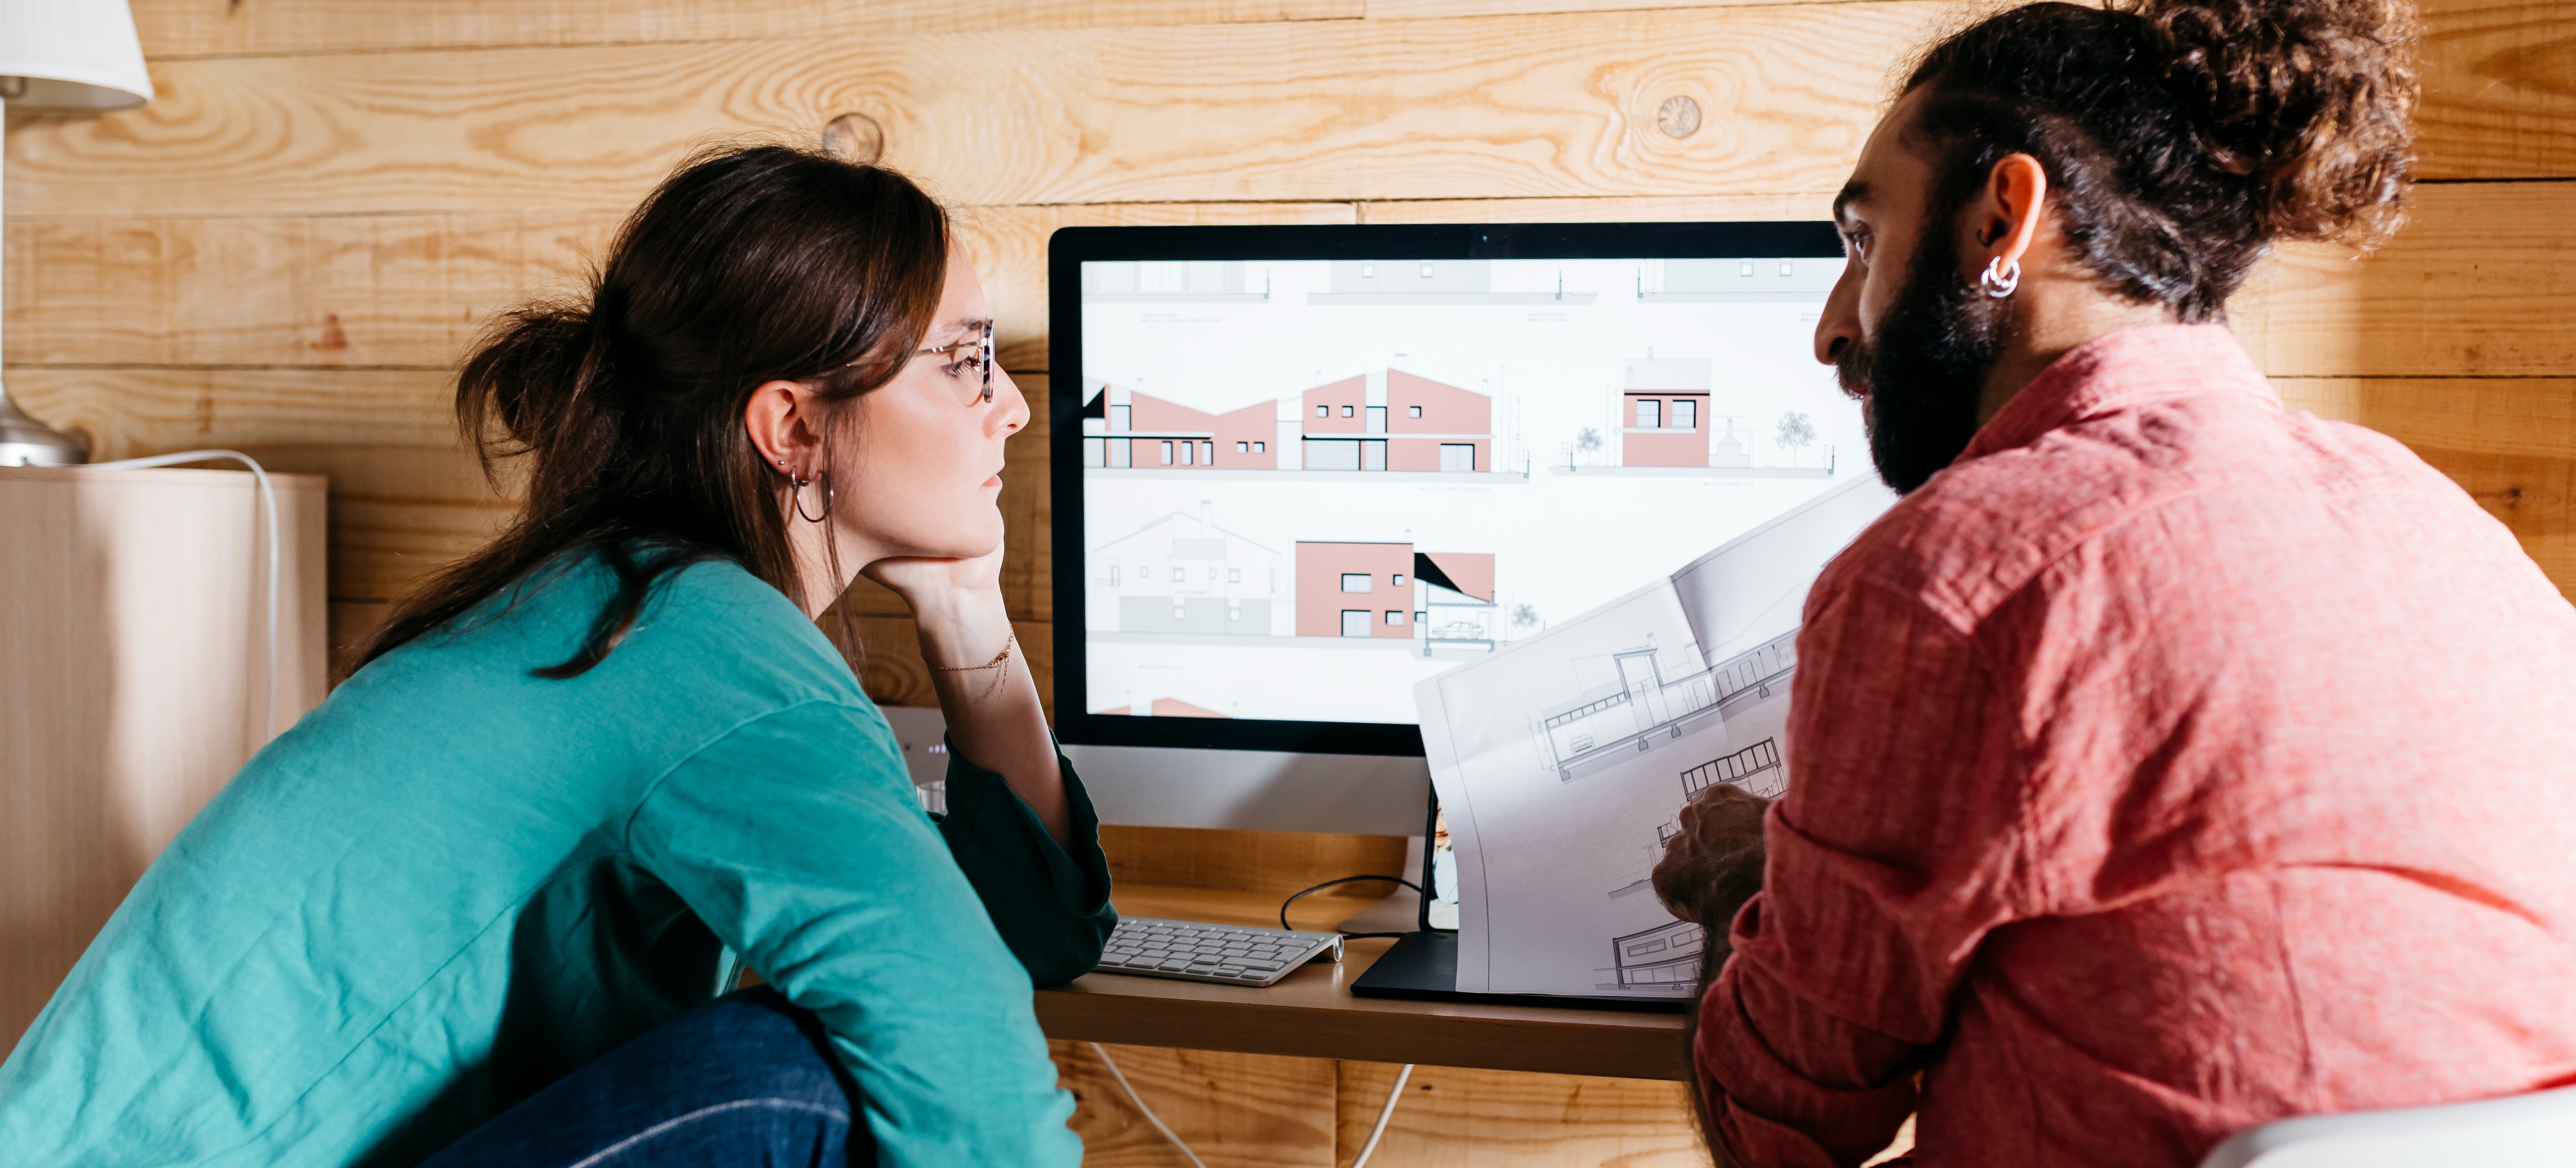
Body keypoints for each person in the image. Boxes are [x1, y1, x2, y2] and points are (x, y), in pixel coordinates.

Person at [0, 145, 1109, 1167]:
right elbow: (970, 1065)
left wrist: (968, 612)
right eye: (966, 361)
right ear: (794, 429)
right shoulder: (703, 654)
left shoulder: (629, 603)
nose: (1012, 408)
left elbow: (1021, 942)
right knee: (803, 1080)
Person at [1650, 0, 2576, 1164]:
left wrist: (1745, 884)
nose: (1836, 329)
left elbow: (1773, 1128)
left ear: (2002, 219)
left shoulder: (1958, 576)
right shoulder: (2439, 522)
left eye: (1862, 243)